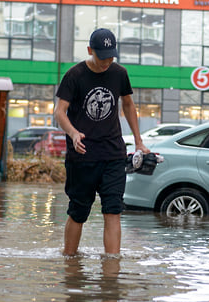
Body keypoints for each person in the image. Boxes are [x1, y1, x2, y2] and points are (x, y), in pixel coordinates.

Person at [55, 28, 150, 257]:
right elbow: (60, 112)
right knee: (78, 211)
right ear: (90, 51)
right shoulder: (74, 75)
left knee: (113, 211)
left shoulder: (119, 73)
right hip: (82, 156)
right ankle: (70, 262)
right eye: (102, 56)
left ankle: (112, 270)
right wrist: (73, 133)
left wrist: (138, 141)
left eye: (111, 56)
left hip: (113, 154)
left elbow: (128, 104)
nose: (107, 61)